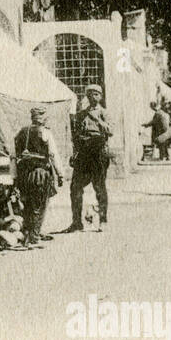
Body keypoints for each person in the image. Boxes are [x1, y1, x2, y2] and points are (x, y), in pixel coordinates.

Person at [64, 84, 113, 232]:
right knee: (75, 188)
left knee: (99, 187)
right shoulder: (80, 114)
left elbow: (110, 131)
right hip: (83, 154)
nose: (93, 97)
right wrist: (74, 153)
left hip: (98, 152)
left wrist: (97, 120)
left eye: (96, 94)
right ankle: (76, 222)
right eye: (90, 94)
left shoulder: (104, 113)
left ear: (101, 96)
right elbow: (75, 136)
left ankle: (103, 220)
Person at [13, 107, 62, 249]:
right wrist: (60, 174)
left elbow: (13, 155)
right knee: (39, 205)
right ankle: (33, 238)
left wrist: (15, 176)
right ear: (43, 118)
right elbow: (53, 155)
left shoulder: (21, 132)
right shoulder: (45, 133)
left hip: (24, 174)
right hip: (40, 174)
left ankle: (29, 234)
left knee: (28, 205)